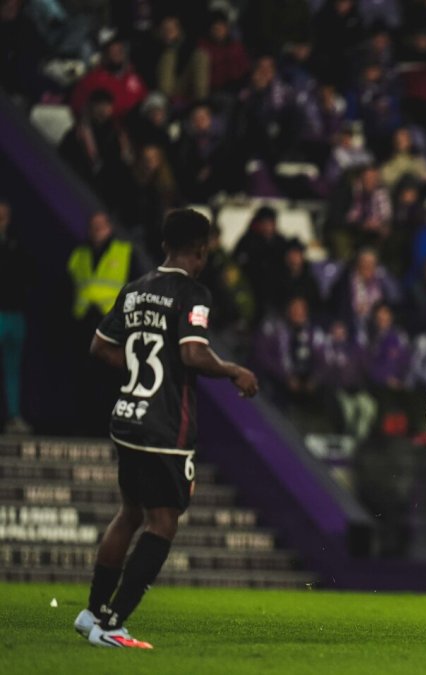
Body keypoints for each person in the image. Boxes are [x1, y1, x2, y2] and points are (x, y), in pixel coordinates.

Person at [77, 208, 258, 648]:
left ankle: (92, 612)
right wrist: (234, 370)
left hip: (127, 416)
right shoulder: (192, 293)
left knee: (130, 513)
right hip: (163, 427)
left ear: (164, 245)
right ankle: (113, 624)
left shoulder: (136, 289)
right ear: (202, 248)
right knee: (163, 522)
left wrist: (141, 372)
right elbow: (194, 354)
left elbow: (99, 346)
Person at [0, 200, 31, 433]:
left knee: (12, 369)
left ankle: (13, 416)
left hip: (15, 315)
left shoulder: (18, 243)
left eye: (5, 215)